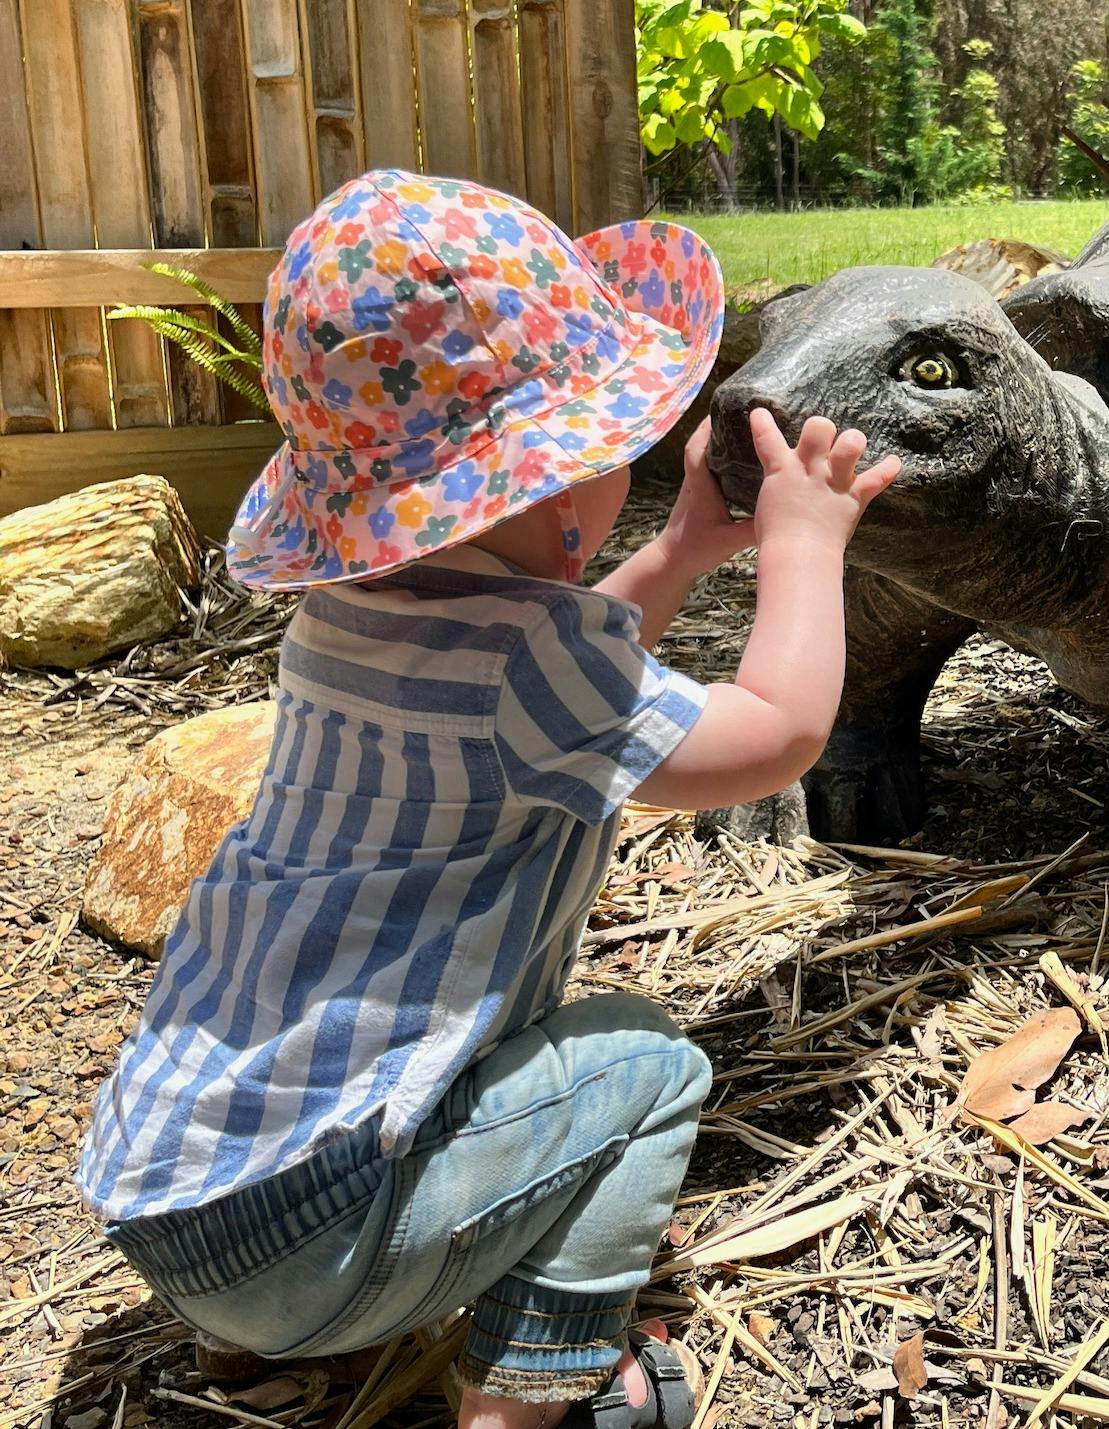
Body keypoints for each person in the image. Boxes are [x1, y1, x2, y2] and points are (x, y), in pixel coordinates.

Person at [75, 170, 897, 1429]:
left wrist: (678, 551)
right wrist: (804, 544)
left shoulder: (339, 623)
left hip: (170, 1194)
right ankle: (524, 1398)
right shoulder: (528, 666)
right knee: (646, 1063)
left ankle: (314, 1322)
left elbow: (564, 675)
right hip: (307, 1237)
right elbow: (773, 735)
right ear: (568, 487)